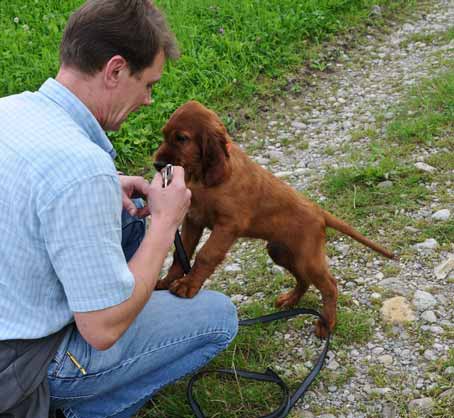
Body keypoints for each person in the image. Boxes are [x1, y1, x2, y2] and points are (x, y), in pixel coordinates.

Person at [0, 1, 238, 417]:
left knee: (133, 214)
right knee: (219, 318)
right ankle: (81, 408)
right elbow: (102, 329)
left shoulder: (12, 109)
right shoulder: (80, 168)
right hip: (25, 367)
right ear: (114, 70)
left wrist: (106, 188)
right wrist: (166, 223)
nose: (148, 100)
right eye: (148, 84)